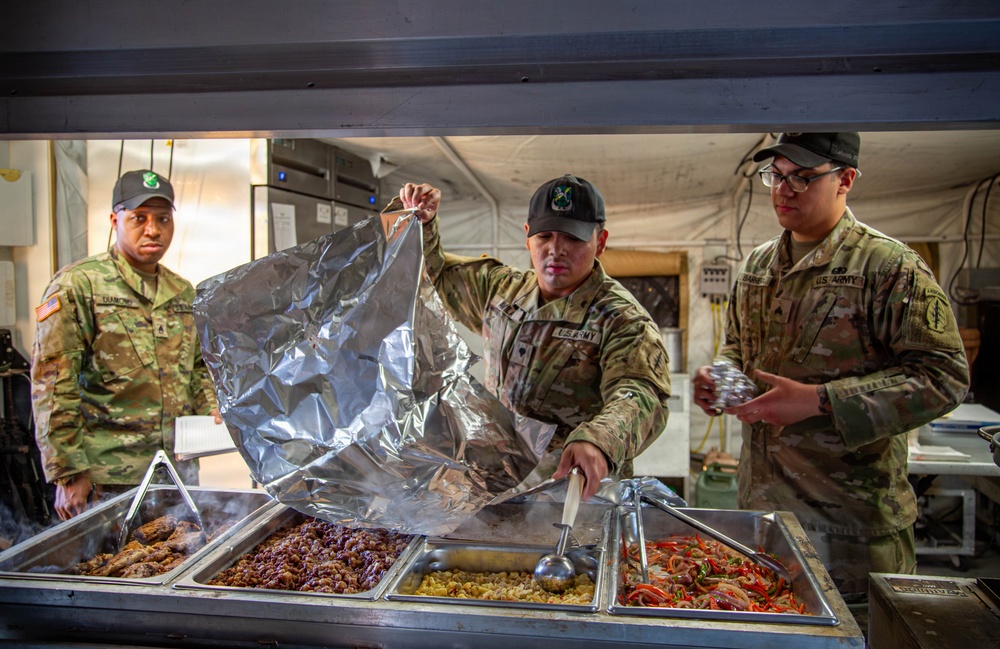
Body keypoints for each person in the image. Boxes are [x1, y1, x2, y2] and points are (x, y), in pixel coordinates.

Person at [693, 133, 969, 601]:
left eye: (802, 177)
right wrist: (720, 381)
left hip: (850, 529)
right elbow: (738, 350)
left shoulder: (889, 267)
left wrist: (820, 401)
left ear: (845, 179)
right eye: (775, 177)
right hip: (765, 518)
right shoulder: (760, 266)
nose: (784, 190)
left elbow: (944, 379)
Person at [398, 175, 672, 501]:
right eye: (544, 236)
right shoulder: (501, 290)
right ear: (528, 237)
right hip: (493, 486)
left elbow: (640, 393)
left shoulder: (621, 319)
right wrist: (425, 225)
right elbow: (437, 277)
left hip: (571, 494)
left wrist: (599, 439)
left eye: (572, 238)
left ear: (600, 242)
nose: (555, 250)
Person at [31, 169, 220, 521]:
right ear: (114, 220)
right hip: (107, 478)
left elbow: (197, 367)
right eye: (139, 218)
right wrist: (68, 472)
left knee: (173, 561)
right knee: (108, 568)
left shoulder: (182, 292)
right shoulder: (79, 285)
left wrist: (211, 410)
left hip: (175, 473)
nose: (153, 230)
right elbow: (53, 384)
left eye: (163, 219)